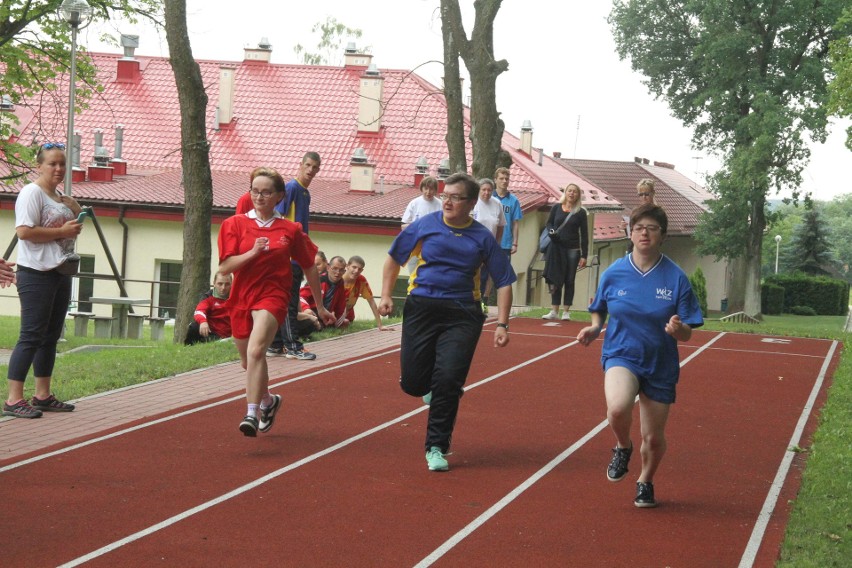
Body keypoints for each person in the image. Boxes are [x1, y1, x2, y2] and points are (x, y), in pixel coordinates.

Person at [378, 172, 516, 472]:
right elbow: (393, 258)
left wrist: (503, 324)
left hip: (462, 313)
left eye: (455, 197)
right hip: (422, 307)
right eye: (446, 195)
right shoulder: (425, 225)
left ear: (470, 203)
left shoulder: (482, 237)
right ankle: (430, 387)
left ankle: (436, 446)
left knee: (449, 380)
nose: (448, 201)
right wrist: (386, 295)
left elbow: (504, 280)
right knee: (413, 383)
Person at [577, 204, 703, 508]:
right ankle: (623, 445)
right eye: (638, 228)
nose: (644, 233)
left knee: (654, 437)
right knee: (618, 409)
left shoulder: (675, 278)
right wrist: (595, 328)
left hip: (660, 362)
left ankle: (645, 480)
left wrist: (678, 329)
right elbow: (599, 308)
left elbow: (689, 331)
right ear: (630, 233)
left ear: (662, 235)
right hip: (622, 353)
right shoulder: (614, 272)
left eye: (652, 228)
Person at [218, 167, 333, 437]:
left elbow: (309, 267)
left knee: (257, 352)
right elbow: (225, 267)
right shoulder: (234, 224)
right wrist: (253, 252)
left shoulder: (290, 229)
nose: (259, 196)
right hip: (242, 296)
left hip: (274, 296)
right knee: (248, 362)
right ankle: (269, 401)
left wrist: (321, 305)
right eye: (255, 191)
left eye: (266, 192)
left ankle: (251, 412)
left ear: (279, 196)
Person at [4, 142, 83, 419]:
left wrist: (76, 211)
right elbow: (25, 232)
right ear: (39, 165)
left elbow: (64, 233)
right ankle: (14, 399)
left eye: (62, 163)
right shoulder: (31, 193)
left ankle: (43, 395)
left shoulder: (60, 196)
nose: (59, 168)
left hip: (60, 271)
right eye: (53, 163)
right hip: (35, 273)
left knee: (50, 336)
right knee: (31, 335)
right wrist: (62, 229)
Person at [268, 152, 322, 360]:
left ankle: (276, 344)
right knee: (289, 301)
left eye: (315, 167)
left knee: (287, 300)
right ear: (301, 165)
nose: (310, 170)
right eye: (308, 165)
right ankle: (292, 346)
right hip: (289, 257)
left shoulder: (305, 193)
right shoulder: (291, 188)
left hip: (299, 255)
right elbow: (278, 215)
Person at [541, 183, 588, 321]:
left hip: (573, 250)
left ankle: (566, 311)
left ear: (578, 195)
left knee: (569, 279)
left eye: (574, 191)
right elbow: (549, 223)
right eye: (569, 191)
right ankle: (554, 310)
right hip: (556, 248)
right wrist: (551, 232)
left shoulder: (581, 212)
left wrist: (584, 255)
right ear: (565, 193)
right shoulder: (556, 208)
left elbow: (584, 235)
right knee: (555, 278)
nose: (572, 193)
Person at [472, 177, 506, 307]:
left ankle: (483, 300)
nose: (486, 193)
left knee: (486, 274)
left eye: (489, 190)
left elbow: (501, 225)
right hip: (474, 244)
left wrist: (497, 243)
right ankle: (472, 299)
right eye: (483, 190)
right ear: (479, 190)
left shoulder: (497, 204)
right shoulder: (473, 203)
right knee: (474, 273)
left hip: (490, 245)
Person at [185, 272, 233, 345]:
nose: (223, 288)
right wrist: (203, 322)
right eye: (220, 284)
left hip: (230, 335)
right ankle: (188, 349)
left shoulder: (237, 298)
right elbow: (199, 311)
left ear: (232, 284)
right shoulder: (207, 297)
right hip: (211, 332)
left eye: (227, 284)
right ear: (214, 283)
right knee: (194, 327)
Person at [299, 255, 348, 327]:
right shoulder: (319, 280)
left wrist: (338, 321)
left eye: (341, 270)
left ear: (344, 272)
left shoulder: (340, 283)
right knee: (310, 324)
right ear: (328, 267)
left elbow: (340, 306)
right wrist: (306, 309)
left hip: (325, 315)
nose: (337, 273)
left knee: (345, 322)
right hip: (311, 312)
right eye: (335, 268)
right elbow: (300, 296)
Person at [341, 255, 385, 331]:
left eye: (359, 269)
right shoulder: (338, 278)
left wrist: (380, 325)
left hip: (348, 316)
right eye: (354, 267)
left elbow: (371, 301)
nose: (356, 271)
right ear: (347, 266)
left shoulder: (361, 280)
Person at [493, 167, 522, 258]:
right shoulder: (489, 198)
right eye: (501, 178)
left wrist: (515, 243)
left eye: (507, 179)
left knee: (503, 271)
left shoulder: (513, 200)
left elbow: (515, 223)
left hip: (505, 243)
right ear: (495, 180)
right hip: (490, 241)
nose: (504, 181)